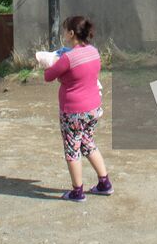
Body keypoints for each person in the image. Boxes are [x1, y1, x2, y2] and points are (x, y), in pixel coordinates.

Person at [43, 15, 111, 202]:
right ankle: (104, 183)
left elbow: (48, 76)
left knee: (72, 150)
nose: (63, 33)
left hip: (73, 111)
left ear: (71, 33)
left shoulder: (68, 58)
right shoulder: (94, 52)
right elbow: (83, 76)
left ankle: (77, 191)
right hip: (93, 108)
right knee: (88, 143)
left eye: (65, 30)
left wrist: (48, 62)